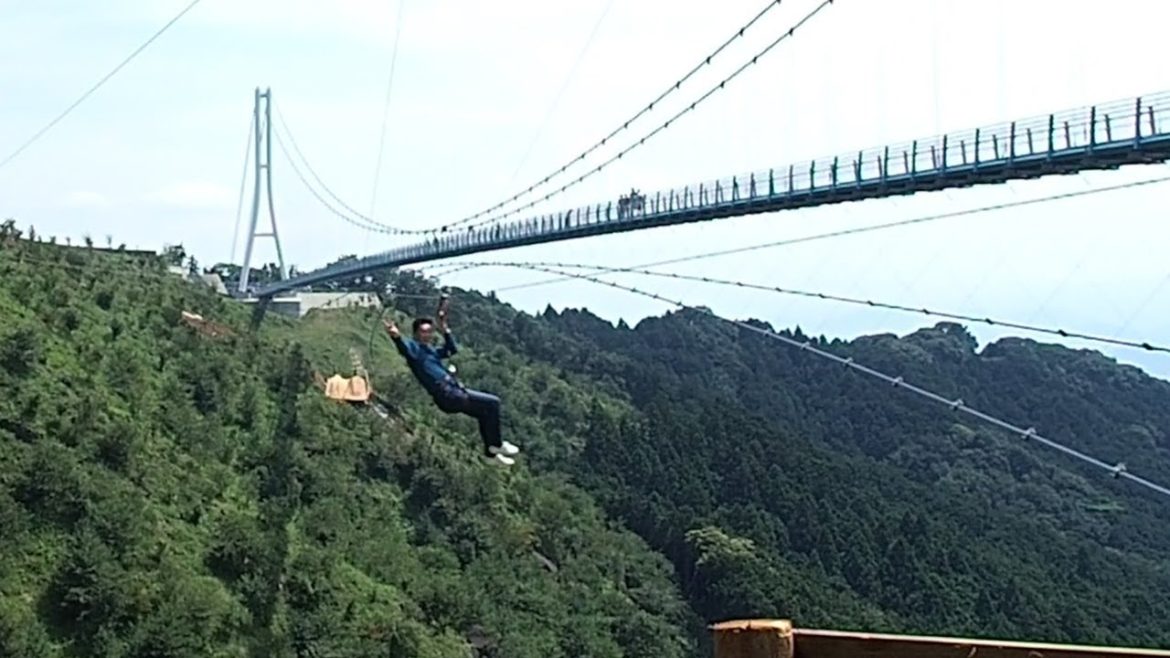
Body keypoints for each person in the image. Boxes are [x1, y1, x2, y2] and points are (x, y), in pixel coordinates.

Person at [383, 311, 520, 466]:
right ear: (415, 333)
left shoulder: (432, 352)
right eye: (423, 332)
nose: (427, 335)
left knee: (484, 413)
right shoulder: (414, 350)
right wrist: (395, 336)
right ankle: (497, 444)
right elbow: (404, 348)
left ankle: (490, 454)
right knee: (493, 403)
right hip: (448, 394)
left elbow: (451, 349)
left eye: (429, 331)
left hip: (452, 393)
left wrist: (445, 328)